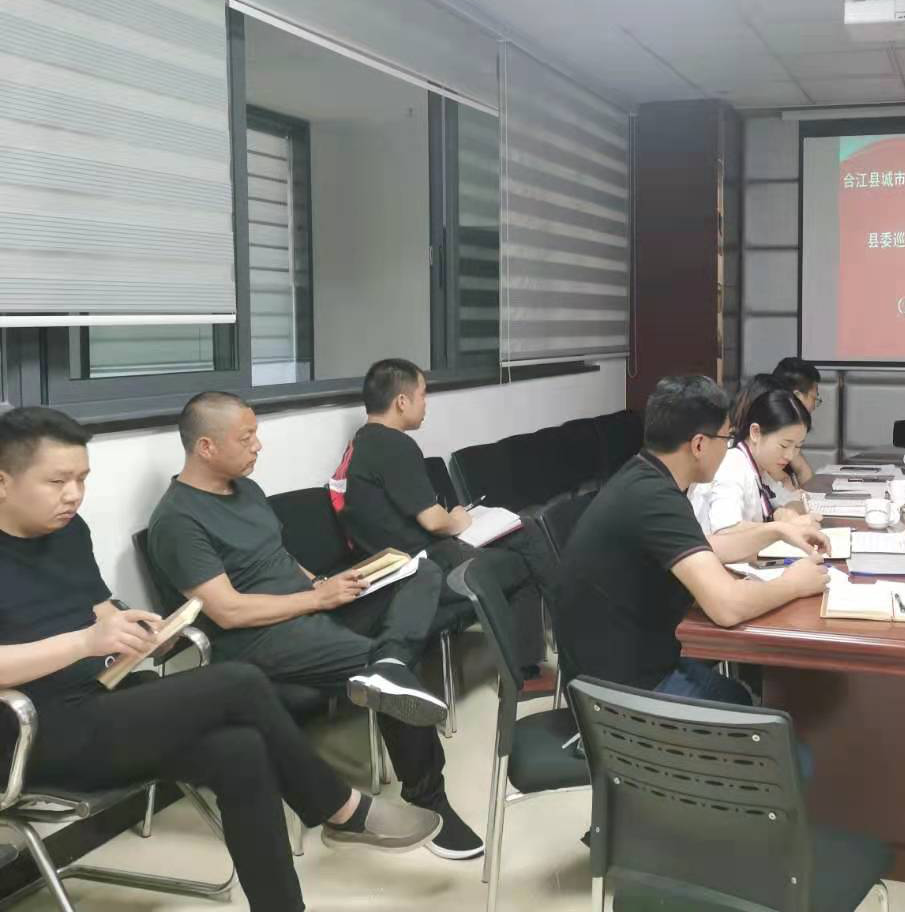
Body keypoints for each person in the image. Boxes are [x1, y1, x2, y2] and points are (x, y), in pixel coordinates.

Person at [0, 408, 441, 912]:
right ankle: (340, 809)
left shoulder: (68, 531)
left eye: (82, 479)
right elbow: (73, 641)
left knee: (240, 750)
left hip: (101, 699)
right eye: (57, 481)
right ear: (3, 482)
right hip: (28, 733)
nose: (74, 494)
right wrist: (83, 643)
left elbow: (98, 611)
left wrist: (134, 631)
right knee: (238, 682)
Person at [147, 392, 483, 860]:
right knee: (381, 667)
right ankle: (428, 797)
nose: (258, 445)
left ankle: (389, 662)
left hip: (309, 605)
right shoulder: (177, 520)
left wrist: (323, 584)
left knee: (418, 569)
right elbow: (228, 611)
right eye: (246, 437)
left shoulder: (247, 490)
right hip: (258, 638)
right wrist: (317, 598)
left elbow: (278, 557)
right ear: (206, 447)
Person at [551, 376, 830, 704]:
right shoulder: (655, 498)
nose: (728, 448)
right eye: (726, 438)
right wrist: (793, 584)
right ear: (699, 445)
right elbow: (727, 607)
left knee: (745, 697)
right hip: (620, 695)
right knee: (759, 712)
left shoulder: (645, 476)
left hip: (620, 668)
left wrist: (778, 531)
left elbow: (707, 546)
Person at [334, 357, 538, 602]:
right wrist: (459, 520)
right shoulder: (394, 445)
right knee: (526, 546)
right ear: (401, 402)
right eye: (422, 395)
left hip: (391, 569)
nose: (425, 403)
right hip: (423, 569)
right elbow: (434, 522)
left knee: (515, 541)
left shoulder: (360, 443)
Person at [690, 388, 817, 535]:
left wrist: (785, 513)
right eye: (784, 445)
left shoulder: (760, 468)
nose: (790, 455)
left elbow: (793, 502)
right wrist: (781, 526)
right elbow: (726, 529)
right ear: (755, 432)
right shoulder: (732, 466)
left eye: (798, 447)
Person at [772, 357, 823, 485]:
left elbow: (802, 472)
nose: (814, 406)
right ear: (797, 397)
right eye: (814, 399)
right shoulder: (773, 430)